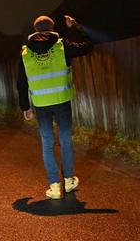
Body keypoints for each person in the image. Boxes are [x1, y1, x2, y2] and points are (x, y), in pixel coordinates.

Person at [17, 14, 92, 199]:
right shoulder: (62, 45)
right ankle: (68, 180)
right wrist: (74, 26)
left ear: (35, 30)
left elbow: (21, 82)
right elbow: (88, 45)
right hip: (62, 101)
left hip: (41, 105)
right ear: (51, 28)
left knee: (47, 143)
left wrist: (25, 107)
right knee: (65, 141)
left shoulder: (25, 52)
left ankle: (54, 186)